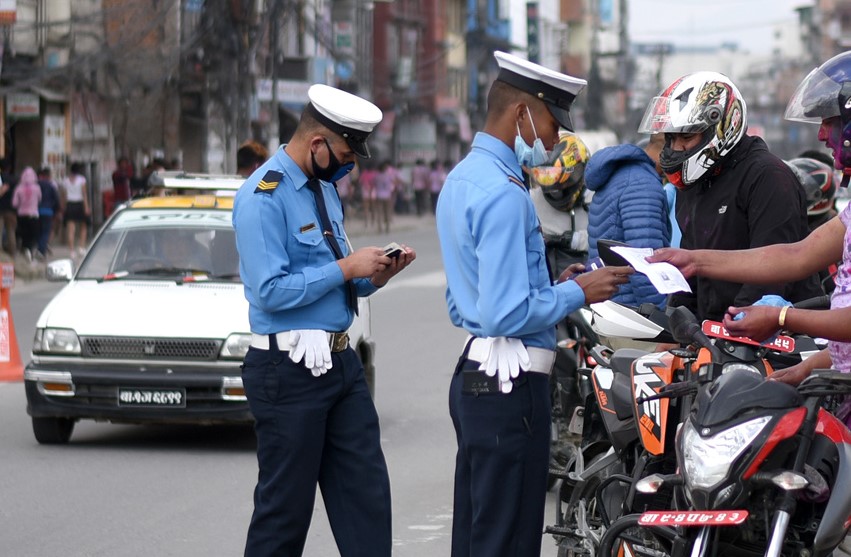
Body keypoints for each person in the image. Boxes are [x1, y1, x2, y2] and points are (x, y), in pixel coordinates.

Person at [436, 50, 632, 557]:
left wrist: (550, 286)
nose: (553, 141)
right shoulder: (503, 194)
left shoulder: (461, 179)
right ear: (521, 113)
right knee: (509, 539)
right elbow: (504, 313)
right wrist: (577, 292)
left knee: (478, 534)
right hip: (510, 384)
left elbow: (467, 302)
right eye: (550, 124)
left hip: (476, 372)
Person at [232, 83, 416, 557]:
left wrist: (377, 274)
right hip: (286, 370)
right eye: (345, 154)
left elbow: (344, 278)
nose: (350, 165)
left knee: (367, 499)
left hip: (340, 362)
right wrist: (345, 268)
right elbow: (268, 291)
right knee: (284, 514)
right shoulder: (262, 196)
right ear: (317, 145)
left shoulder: (324, 188)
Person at [647, 51, 851, 395]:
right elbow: (795, 254)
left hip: (763, 345)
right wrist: (694, 262)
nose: (820, 135)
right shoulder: (694, 183)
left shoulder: (767, 176)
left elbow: (787, 274)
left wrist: (781, 320)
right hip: (809, 372)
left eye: (830, 121)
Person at [638, 71, 823, 321]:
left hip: (776, 336)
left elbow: (773, 270)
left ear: (721, 127)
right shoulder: (695, 181)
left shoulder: (768, 177)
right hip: (713, 337)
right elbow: (691, 269)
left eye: (686, 136)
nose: (676, 148)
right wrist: (678, 326)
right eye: (671, 138)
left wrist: (733, 329)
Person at [586, 132, 671, 307]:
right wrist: (661, 315)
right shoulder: (642, 185)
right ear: (671, 147)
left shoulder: (621, 175)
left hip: (610, 304)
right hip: (631, 312)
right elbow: (645, 264)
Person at [12, 167, 41, 262]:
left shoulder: (19, 188)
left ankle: (25, 250)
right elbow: (40, 199)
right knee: (33, 235)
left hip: (21, 215)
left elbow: (14, 203)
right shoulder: (37, 188)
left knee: (24, 234)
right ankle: (31, 251)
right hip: (34, 214)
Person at [63, 162, 90, 257]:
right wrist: (86, 207)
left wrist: (64, 207)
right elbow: (84, 194)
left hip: (70, 204)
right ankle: (81, 247)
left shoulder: (66, 180)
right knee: (83, 226)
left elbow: (65, 196)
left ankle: (71, 251)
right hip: (79, 204)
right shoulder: (82, 180)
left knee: (71, 229)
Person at [36, 167, 60, 258]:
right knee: (46, 232)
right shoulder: (51, 186)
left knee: (39, 231)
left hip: (37, 211)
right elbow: (56, 200)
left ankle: (39, 248)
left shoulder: (37, 185)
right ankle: (41, 251)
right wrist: (56, 210)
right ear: (48, 176)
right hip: (48, 212)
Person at [0, 159, 16, 257]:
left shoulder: (1, 178)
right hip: (11, 209)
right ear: (9, 168)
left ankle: (1, 254)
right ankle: (12, 253)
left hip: (0, 208)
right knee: (11, 231)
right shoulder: (14, 179)